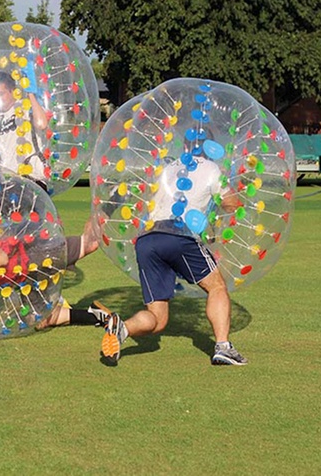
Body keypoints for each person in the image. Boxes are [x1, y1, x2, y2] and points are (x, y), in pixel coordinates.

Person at [40, 147, 247, 367]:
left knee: (158, 320)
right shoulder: (212, 169)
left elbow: (128, 192)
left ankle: (122, 329)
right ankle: (223, 347)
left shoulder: (167, 168)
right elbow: (231, 203)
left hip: (148, 240)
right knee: (216, 287)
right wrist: (215, 218)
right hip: (180, 235)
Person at [0, 71, 50, 195]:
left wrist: (30, 93)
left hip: (31, 178)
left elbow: (41, 124)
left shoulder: (25, 107)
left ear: (13, 91)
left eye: (1, 93)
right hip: (7, 181)